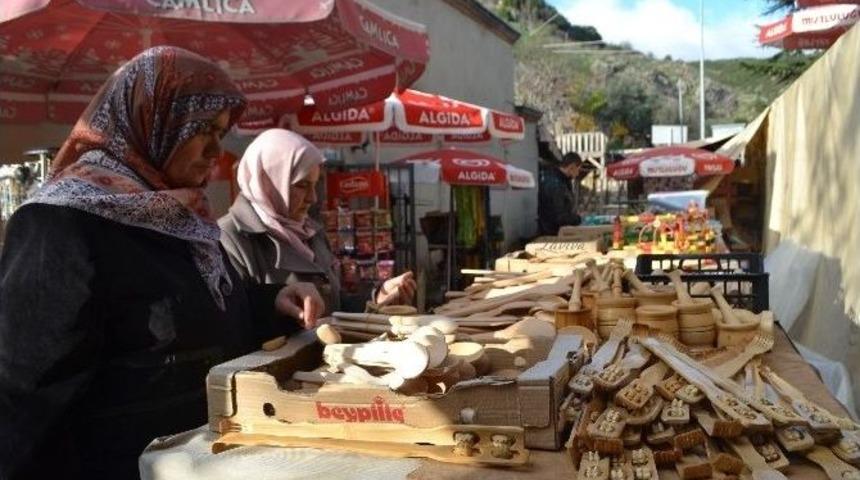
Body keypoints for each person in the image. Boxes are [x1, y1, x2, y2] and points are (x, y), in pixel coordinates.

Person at [0, 47, 323, 479]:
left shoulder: (180, 215)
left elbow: (195, 309)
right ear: (150, 121)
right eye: (203, 129)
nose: (215, 150)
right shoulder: (60, 225)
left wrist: (272, 303)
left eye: (222, 133)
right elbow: (23, 395)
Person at [219, 129, 416, 312]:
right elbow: (235, 318)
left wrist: (377, 298)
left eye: (315, 184)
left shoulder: (311, 231)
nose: (312, 198)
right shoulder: (229, 238)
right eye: (302, 185)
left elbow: (336, 307)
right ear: (269, 181)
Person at [538, 151, 583, 235]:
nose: (578, 174)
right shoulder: (556, 184)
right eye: (578, 170)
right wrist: (578, 219)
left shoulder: (561, 181)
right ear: (572, 167)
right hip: (552, 232)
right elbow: (559, 216)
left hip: (553, 230)